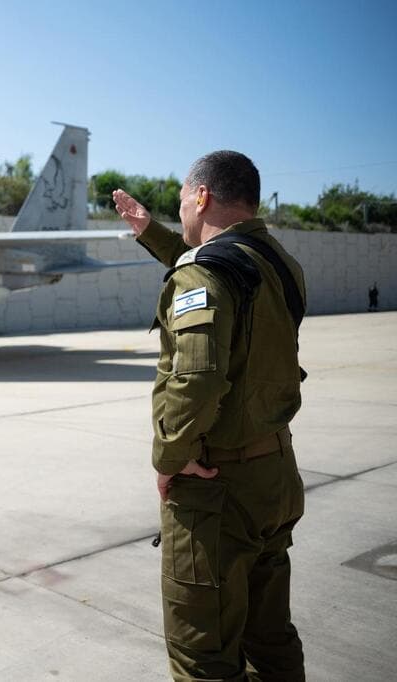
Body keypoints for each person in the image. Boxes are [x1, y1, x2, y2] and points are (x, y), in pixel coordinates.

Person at [113, 150, 307, 681]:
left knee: (203, 657)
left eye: (182, 201)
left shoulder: (207, 272)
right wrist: (151, 232)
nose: (181, 211)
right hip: (275, 476)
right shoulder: (278, 264)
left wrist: (169, 458)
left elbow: (196, 379)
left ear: (202, 197)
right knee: (269, 639)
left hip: (218, 488)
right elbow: (220, 271)